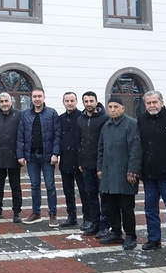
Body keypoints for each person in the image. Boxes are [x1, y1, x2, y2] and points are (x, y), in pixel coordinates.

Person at [137, 91, 166, 254]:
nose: (152, 105)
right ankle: (154, 239)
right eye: (148, 103)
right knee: (150, 209)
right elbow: (139, 147)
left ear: (162, 102)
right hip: (149, 175)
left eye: (154, 102)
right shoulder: (141, 120)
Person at [96, 96, 142, 248]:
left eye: (116, 107)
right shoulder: (107, 125)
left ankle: (130, 235)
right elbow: (101, 149)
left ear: (122, 108)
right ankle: (116, 232)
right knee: (111, 205)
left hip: (125, 174)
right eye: (110, 107)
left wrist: (133, 171)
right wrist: (100, 168)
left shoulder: (131, 124)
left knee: (126, 207)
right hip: (108, 174)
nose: (113, 110)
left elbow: (135, 149)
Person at [17, 88, 62, 227]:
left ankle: (52, 214)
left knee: (50, 186)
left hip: (47, 157)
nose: (37, 99)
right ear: (31, 98)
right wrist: (20, 155)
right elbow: (20, 135)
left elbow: (57, 135)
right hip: (32, 156)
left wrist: (55, 153)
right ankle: (36, 213)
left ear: (44, 97)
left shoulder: (52, 113)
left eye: (39, 96)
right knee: (34, 186)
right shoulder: (25, 115)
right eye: (34, 96)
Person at [0, 92, 23, 222]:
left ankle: (17, 212)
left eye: (6, 101)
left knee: (16, 186)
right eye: (1, 102)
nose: (4, 104)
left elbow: (22, 136)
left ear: (11, 101)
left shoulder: (19, 115)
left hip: (14, 157)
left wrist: (21, 155)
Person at [76, 91, 108, 237]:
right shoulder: (81, 119)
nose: (88, 104)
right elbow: (79, 142)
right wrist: (81, 161)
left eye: (91, 101)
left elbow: (106, 143)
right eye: (86, 101)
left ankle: (105, 225)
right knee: (91, 196)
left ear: (96, 101)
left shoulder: (105, 119)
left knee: (105, 197)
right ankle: (95, 224)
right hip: (86, 164)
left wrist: (103, 164)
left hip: (101, 165)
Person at [58, 92, 86, 229]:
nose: (70, 103)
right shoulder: (60, 118)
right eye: (67, 101)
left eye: (72, 100)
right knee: (68, 191)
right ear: (63, 102)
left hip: (79, 161)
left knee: (84, 192)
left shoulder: (82, 117)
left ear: (76, 102)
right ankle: (71, 216)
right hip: (65, 160)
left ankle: (88, 218)